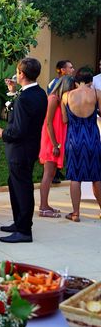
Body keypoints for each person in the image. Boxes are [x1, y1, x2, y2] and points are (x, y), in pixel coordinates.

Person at [0, 57, 47, 243]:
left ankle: (24, 230)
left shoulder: (25, 98)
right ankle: (19, 223)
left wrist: (3, 133)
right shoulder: (39, 93)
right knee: (15, 185)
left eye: (17, 72)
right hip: (30, 147)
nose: (15, 75)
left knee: (22, 188)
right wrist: (12, 93)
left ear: (22, 74)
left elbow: (18, 130)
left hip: (20, 149)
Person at [61, 70, 101, 222]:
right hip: (92, 138)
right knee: (96, 176)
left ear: (76, 81)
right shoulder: (96, 93)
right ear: (90, 81)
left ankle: (76, 213)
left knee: (75, 177)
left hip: (74, 139)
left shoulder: (66, 96)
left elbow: (65, 120)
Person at [38, 75, 74, 217]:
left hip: (57, 139)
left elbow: (64, 120)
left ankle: (46, 204)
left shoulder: (61, 101)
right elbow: (48, 123)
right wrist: (55, 144)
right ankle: (43, 207)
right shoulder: (53, 99)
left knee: (52, 173)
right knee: (47, 174)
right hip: (51, 140)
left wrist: (64, 104)